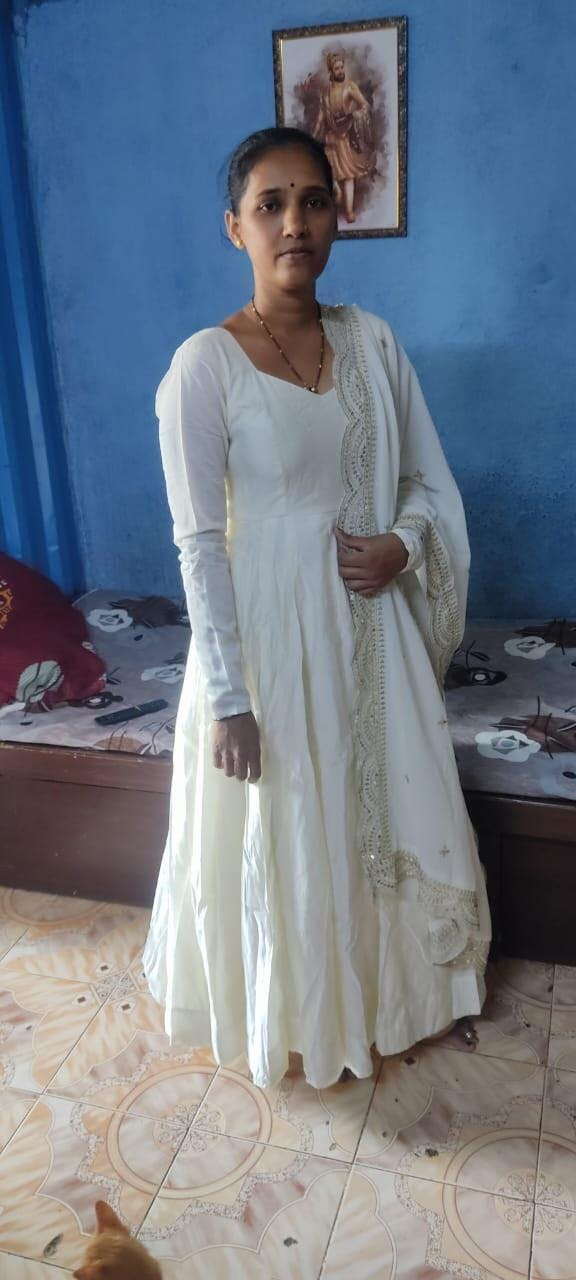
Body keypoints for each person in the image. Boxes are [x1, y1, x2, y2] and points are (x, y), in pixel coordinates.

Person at [143, 126, 491, 1091]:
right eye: (271, 205)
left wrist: (403, 545)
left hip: (369, 631)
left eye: (314, 201)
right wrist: (228, 700)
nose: (295, 222)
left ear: (338, 218)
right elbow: (198, 544)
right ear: (236, 227)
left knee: (376, 811)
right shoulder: (203, 367)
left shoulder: (373, 345)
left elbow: (425, 482)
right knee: (293, 826)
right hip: (268, 649)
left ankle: (391, 1003)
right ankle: (303, 1015)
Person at [313, 51, 375, 223]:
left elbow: (365, 105)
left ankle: (349, 212)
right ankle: (334, 202)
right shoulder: (325, 93)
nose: (340, 71)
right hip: (330, 139)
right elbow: (320, 119)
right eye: (337, 68)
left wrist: (356, 113)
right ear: (331, 71)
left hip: (344, 137)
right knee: (329, 175)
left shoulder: (350, 87)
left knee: (348, 176)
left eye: (342, 67)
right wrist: (312, 138)